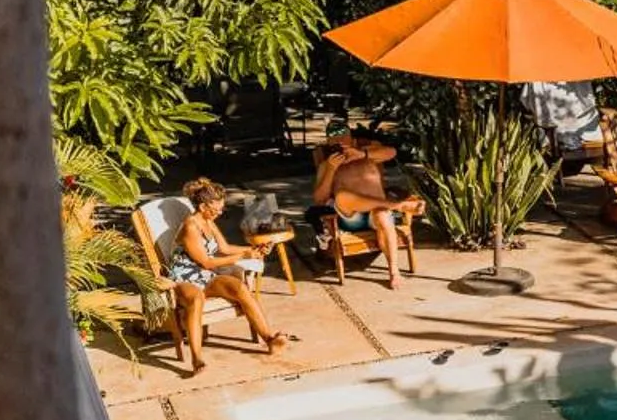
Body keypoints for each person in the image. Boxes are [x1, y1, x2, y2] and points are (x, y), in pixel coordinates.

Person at [159, 178, 294, 376]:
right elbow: (206, 261)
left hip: (206, 274)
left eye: (221, 209)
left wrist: (252, 251)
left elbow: (224, 249)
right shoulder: (190, 227)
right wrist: (242, 256)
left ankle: (269, 339)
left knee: (239, 288)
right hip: (184, 276)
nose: (220, 213)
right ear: (204, 206)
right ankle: (197, 359)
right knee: (196, 299)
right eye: (216, 209)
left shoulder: (208, 221)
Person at [314, 133, 426, 289]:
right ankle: (397, 206)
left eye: (343, 138)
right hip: (351, 218)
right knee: (341, 197)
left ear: (352, 140)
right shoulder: (327, 164)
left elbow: (392, 152)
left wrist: (362, 154)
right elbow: (319, 199)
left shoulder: (369, 154)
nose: (339, 142)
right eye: (334, 140)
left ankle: (394, 272)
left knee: (382, 216)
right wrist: (331, 169)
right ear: (328, 142)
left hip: (377, 212)